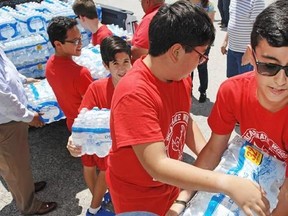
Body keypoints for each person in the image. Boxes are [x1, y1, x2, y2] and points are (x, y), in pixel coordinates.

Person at [106, 1, 269, 215]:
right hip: (139, 197)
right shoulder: (134, 93)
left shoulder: (178, 77)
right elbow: (157, 165)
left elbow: (183, 119)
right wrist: (226, 182)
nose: (201, 62)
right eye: (201, 56)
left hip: (171, 185)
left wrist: (210, 155)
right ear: (176, 52)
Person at [181, 0, 288, 215]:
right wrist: (182, 199)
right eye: (269, 66)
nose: (281, 80)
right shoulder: (232, 91)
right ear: (250, 56)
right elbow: (214, 149)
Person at [67, 35, 132, 216]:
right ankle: (96, 206)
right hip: (101, 146)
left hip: (126, 147)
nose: (122, 69)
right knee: (96, 167)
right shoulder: (97, 88)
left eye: (126, 62)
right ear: (106, 66)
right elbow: (82, 116)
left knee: (112, 172)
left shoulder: (138, 87)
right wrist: (73, 139)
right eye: (115, 64)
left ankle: (99, 203)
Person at [0, 47, 57, 215]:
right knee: (14, 166)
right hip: (5, 122)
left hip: (10, 119)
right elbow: (3, 98)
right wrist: (28, 117)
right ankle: (29, 205)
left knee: (18, 162)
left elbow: (7, 72)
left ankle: (25, 189)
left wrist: (24, 80)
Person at [46, 16, 93, 131]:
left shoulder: (49, 65)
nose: (81, 44)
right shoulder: (80, 73)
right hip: (89, 127)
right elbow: (95, 105)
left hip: (72, 124)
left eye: (80, 38)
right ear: (58, 44)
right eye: (75, 41)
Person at [221, 0, 265, 78]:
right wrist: (225, 41)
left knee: (245, 83)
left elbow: (259, 30)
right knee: (233, 82)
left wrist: (250, 50)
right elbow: (232, 21)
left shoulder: (257, 1)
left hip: (246, 53)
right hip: (232, 50)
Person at [189, 0, 215, 102]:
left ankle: (203, 91)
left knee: (202, 67)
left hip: (203, 43)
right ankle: (187, 90)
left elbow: (210, 26)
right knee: (187, 68)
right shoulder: (185, 3)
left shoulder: (209, 6)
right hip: (188, 42)